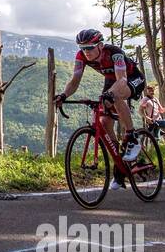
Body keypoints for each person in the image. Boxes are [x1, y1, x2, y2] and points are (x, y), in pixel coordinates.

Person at [54, 29, 147, 187]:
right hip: (112, 81)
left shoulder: (114, 53)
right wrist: (64, 95)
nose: (86, 52)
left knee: (115, 96)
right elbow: (75, 80)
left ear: (101, 45)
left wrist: (110, 94)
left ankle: (132, 137)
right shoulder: (81, 56)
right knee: (104, 122)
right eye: (82, 48)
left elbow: (122, 79)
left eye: (90, 47)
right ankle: (119, 165)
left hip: (132, 78)